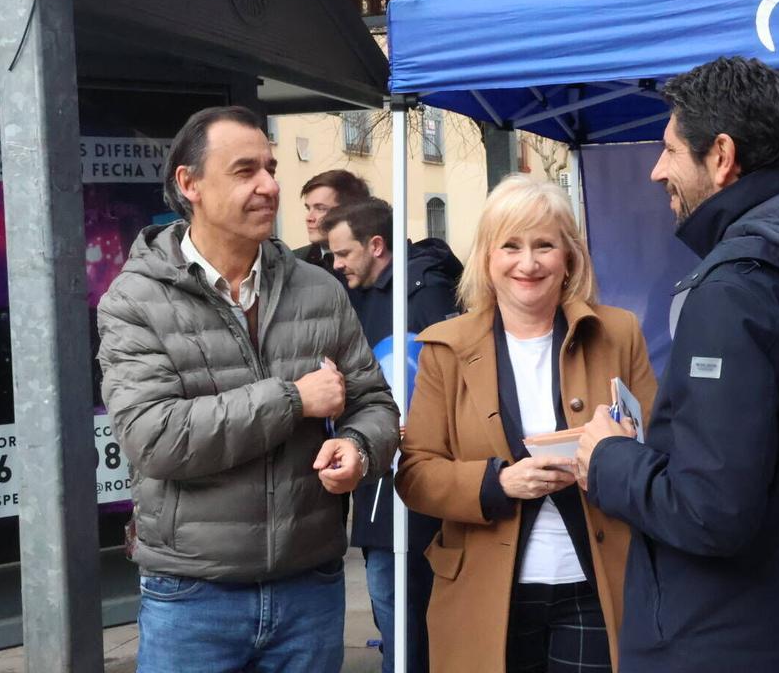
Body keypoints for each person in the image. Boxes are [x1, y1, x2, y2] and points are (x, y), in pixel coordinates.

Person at [575, 57, 779, 673]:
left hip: (717, 641)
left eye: (670, 150)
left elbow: (712, 511)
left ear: (721, 156)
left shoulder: (736, 289)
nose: (656, 170)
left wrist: (610, 459)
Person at [97, 106, 399, 673]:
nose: (269, 185)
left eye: (271, 167)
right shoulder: (135, 301)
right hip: (193, 598)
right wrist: (293, 400)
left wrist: (359, 448)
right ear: (190, 185)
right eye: (245, 171)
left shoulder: (319, 289)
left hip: (309, 588)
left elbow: (376, 404)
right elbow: (155, 438)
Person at [395, 175, 657, 673]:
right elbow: (415, 474)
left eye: (544, 245)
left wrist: (612, 461)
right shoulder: (443, 348)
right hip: (481, 593)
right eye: (510, 245)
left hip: (596, 587)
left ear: (569, 258)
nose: (528, 263)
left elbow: (660, 449)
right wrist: (498, 482)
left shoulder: (618, 332)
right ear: (487, 258)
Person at [323, 197, 463, 673]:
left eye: (343, 253)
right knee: (393, 611)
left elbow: (455, 380)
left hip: (410, 485)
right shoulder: (362, 294)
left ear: (376, 245)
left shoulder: (426, 294)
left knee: (404, 611)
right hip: (375, 481)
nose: (336, 264)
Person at [295, 169, 371, 272]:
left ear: (349, 211)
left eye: (320, 209)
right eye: (308, 208)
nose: (309, 218)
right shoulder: (292, 262)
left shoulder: (374, 263)